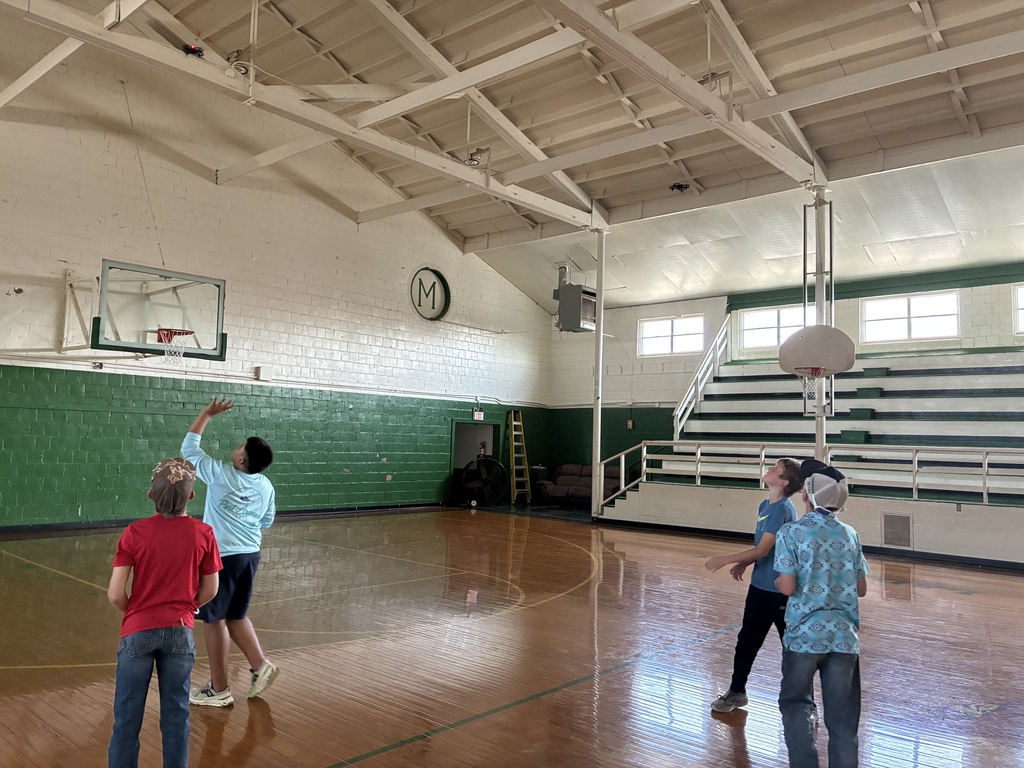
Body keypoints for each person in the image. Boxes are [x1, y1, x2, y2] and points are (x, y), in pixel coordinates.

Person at [108, 458, 222, 768]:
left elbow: (116, 593)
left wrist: (135, 611)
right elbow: (211, 588)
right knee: (176, 717)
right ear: (192, 497)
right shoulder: (204, 533)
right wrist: (189, 606)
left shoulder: (134, 533)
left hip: (137, 632)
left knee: (126, 722)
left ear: (150, 495)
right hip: (179, 631)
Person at [182, 397, 279, 706]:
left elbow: (189, 451)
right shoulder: (265, 486)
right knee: (236, 615)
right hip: (250, 554)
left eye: (240, 446)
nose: (236, 446)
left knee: (214, 619)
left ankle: (219, 689)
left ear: (240, 461)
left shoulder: (221, 474)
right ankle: (260, 665)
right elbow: (267, 520)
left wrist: (206, 414)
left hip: (222, 557)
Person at [774, 462, 868, 768]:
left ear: (807, 495)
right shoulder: (850, 534)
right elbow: (862, 587)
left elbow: (786, 587)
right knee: (843, 722)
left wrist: (778, 581)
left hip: (803, 636)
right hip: (843, 638)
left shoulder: (791, 532)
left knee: (796, 704)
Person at [705, 457, 802, 712]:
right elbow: (762, 549)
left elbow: (762, 550)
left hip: (781, 591)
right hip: (759, 587)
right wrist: (745, 564)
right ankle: (737, 692)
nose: (768, 470)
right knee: (747, 641)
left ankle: (805, 703)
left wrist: (726, 559)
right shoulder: (765, 504)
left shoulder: (783, 509)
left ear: (783, 481)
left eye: (775, 469)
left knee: (792, 650)